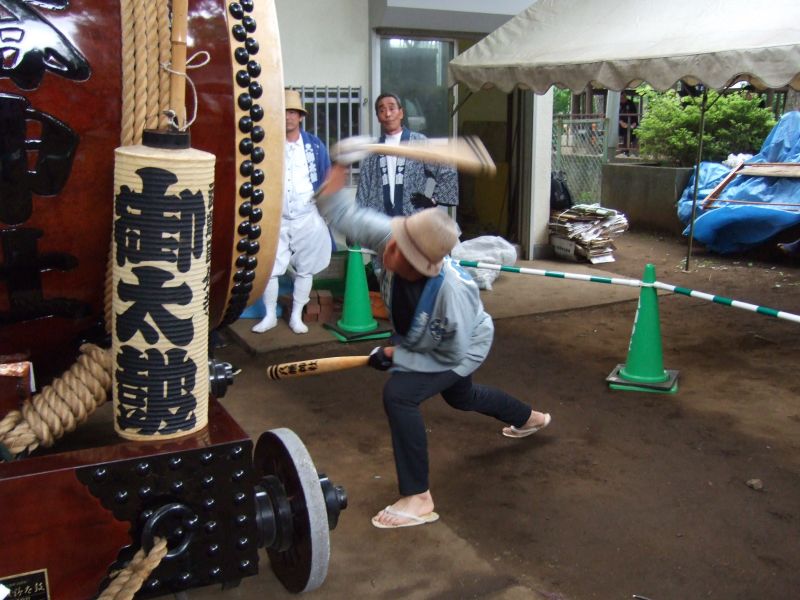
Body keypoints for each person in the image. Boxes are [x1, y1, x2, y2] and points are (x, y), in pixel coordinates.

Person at [316, 163, 551, 529]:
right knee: (462, 396)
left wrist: (396, 355)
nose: (388, 248)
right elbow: (346, 215)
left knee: (400, 395)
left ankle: (419, 498)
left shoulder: (453, 291)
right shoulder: (396, 236)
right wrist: (335, 179)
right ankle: (529, 417)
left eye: (399, 249)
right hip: (422, 338)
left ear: (423, 262)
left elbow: (448, 354)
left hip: (464, 344)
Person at [252, 90, 332, 334]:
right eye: (284, 112)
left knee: (305, 268)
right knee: (270, 267)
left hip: (307, 215)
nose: (288, 117)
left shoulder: (314, 145)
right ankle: (269, 315)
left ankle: (297, 315)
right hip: (276, 217)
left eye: (293, 112)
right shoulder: (267, 144)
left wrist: (326, 210)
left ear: (300, 117)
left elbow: (326, 178)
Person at [356, 93, 458, 218]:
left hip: (413, 219)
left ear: (401, 113)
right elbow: (363, 191)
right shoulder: (373, 150)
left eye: (392, 108)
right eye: (382, 110)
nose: (387, 114)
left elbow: (447, 170)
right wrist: (359, 224)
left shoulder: (419, 142)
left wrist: (432, 199)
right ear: (378, 117)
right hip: (379, 222)